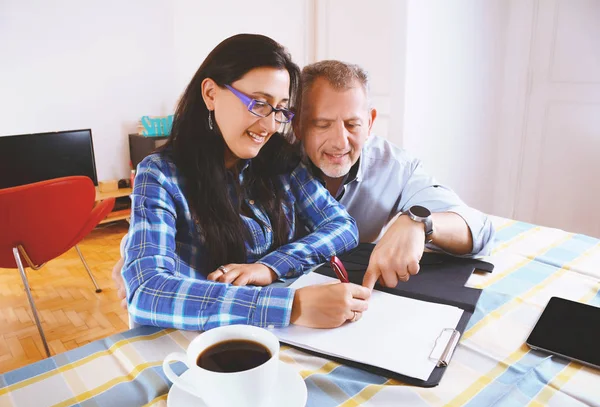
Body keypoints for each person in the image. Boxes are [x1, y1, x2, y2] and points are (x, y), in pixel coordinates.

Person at [119, 34, 370, 332]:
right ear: (211, 93)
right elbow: (148, 292)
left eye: (280, 110)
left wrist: (270, 266)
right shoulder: (161, 174)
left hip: (284, 338)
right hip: (200, 346)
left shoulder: (280, 162)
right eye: (259, 104)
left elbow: (342, 226)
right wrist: (292, 306)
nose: (269, 126)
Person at [293, 60, 495, 290]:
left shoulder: (396, 167)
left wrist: (421, 223)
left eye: (352, 125)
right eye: (322, 124)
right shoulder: (268, 161)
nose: (340, 142)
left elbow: (481, 231)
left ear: (369, 123)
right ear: (296, 124)